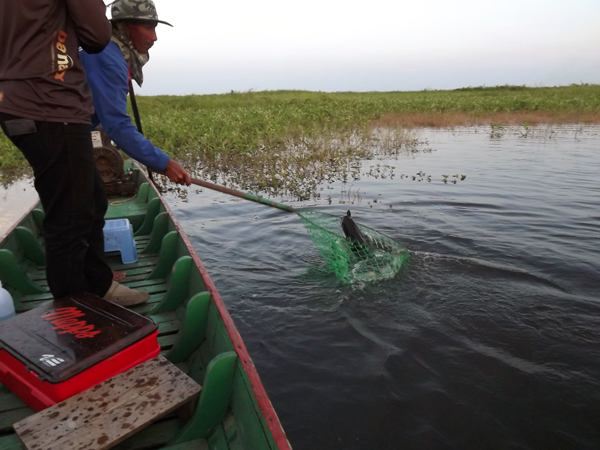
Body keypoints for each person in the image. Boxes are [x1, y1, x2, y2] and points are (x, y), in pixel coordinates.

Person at [0, 0, 151, 306]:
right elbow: (96, 35)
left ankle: (97, 283)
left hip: (14, 102)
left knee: (90, 198)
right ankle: (76, 306)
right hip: (52, 103)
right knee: (71, 214)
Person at [79, 0, 192, 186]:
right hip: (48, 128)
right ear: (125, 28)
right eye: (148, 28)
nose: (154, 37)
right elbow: (116, 124)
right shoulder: (107, 59)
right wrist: (164, 163)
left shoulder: (105, 50)